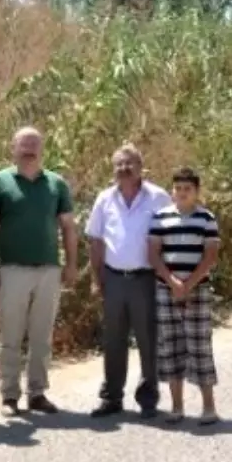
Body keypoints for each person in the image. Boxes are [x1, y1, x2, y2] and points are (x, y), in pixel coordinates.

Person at [0, 127, 78, 417]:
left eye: (34, 144)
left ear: (42, 148)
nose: (29, 149)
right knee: (10, 335)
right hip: (12, 269)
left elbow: (69, 227)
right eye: (24, 144)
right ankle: (9, 396)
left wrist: (70, 264)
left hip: (48, 270)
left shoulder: (56, 184)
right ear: (13, 147)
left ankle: (38, 393)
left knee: (41, 335)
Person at [85, 144, 173, 419]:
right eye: (119, 164)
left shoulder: (158, 198)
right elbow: (96, 241)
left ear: (140, 167)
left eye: (129, 164)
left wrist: (169, 276)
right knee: (113, 340)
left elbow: (170, 237)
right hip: (113, 278)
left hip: (145, 278)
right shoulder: (105, 198)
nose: (124, 169)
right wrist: (96, 280)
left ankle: (148, 399)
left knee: (148, 339)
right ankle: (111, 397)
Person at [149, 167, 222, 425]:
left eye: (187, 189)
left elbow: (210, 256)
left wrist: (188, 284)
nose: (182, 193)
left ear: (197, 191)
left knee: (199, 346)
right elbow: (154, 254)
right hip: (165, 289)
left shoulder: (206, 219)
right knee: (170, 347)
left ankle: (209, 407)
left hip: (198, 290)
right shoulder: (160, 217)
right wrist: (172, 282)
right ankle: (177, 407)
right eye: (178, 188)